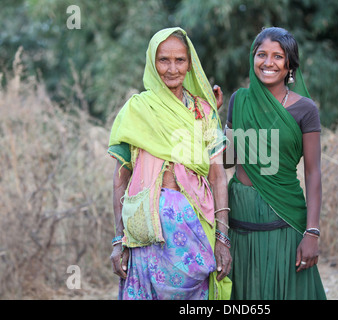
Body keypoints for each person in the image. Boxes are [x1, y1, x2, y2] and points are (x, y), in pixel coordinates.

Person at [107, 27, 232, 300]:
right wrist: (119, 240)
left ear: (190, 64)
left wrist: (223, 238)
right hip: (145, 233)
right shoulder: (136, 110)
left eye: (180, 60)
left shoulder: (204, 112)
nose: (172, 68)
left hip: (196, 230)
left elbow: (218, 175)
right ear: (152, 62)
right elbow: (120, 180)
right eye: (164, 59)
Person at [224, 27, 326, 300]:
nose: (268, 62)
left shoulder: (305, 109)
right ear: (252, 58)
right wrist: (212, 117)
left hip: (283, 220)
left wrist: (312, 233)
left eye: (277, 56)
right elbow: (228, 160)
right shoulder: (239, 100)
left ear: (289, 64)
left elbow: (314, 173)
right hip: (240, 221)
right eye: (261, 55)